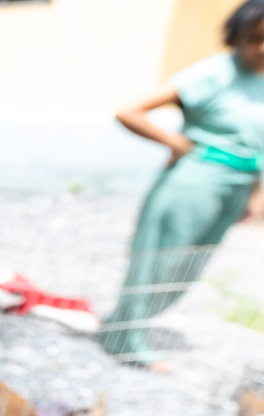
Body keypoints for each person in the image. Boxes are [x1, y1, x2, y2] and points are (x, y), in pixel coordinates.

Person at [97, 0, 264, 370]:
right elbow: (129, 110)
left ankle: (121, 327)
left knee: (189, 266)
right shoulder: (215, 73)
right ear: (239, 36)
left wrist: (257, 193)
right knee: (159, 260)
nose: (263, 48)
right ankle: (125, 340)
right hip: (195, 180)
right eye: (256, 38)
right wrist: (175, 142)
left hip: (237, 185)